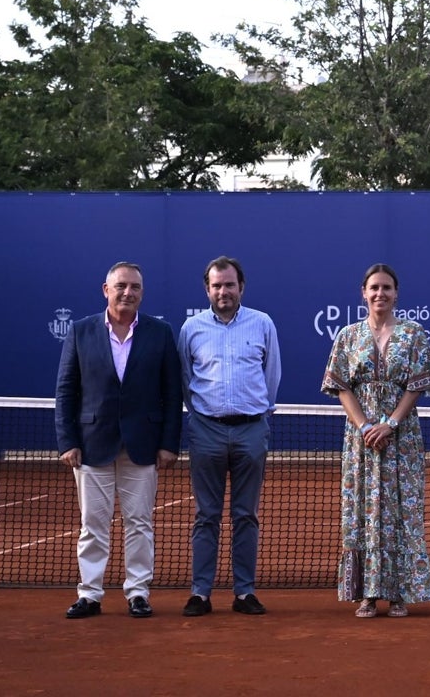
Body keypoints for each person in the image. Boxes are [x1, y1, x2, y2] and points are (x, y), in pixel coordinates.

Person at [54, 262, 182, 619]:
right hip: (92, 443)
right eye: (121, 286)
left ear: (142, 293)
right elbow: (66, 391)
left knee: (139, 522)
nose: (128, 293)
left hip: (143, 445)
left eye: (135, 288)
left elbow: (172, 394)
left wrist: (169, 442)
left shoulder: (160, 332)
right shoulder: (80, 331)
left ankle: (138, 593)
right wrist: (67, 441)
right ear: (105, 289)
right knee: (92, 524)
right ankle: (90, 594)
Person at [322, 264, 430, 618]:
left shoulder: (413, 333)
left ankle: (400, 594)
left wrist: (389, 423)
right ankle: (367, 595)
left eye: (386, 288)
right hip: (361, 442)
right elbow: (340, 385)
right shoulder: (347, 336)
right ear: (363, 292)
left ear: (396, 293)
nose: (380, 294)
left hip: (402, 439)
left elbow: (418, 384)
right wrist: (364, 426)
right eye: (374, 288)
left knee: (403, 512)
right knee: (363, 511)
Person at [179, 256, 281, 617]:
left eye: (230, 284)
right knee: (206, 514)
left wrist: (258, 414)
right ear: (207, 289)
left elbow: (271, 376)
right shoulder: (191, 329)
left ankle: (244, 593)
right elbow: (185, 381)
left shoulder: (262, 323)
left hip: (252, 429)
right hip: (205, 429)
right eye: (217, 285)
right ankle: (200, 593)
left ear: (242, 287)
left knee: (245, 515)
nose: (224, 291)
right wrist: (203, 415)